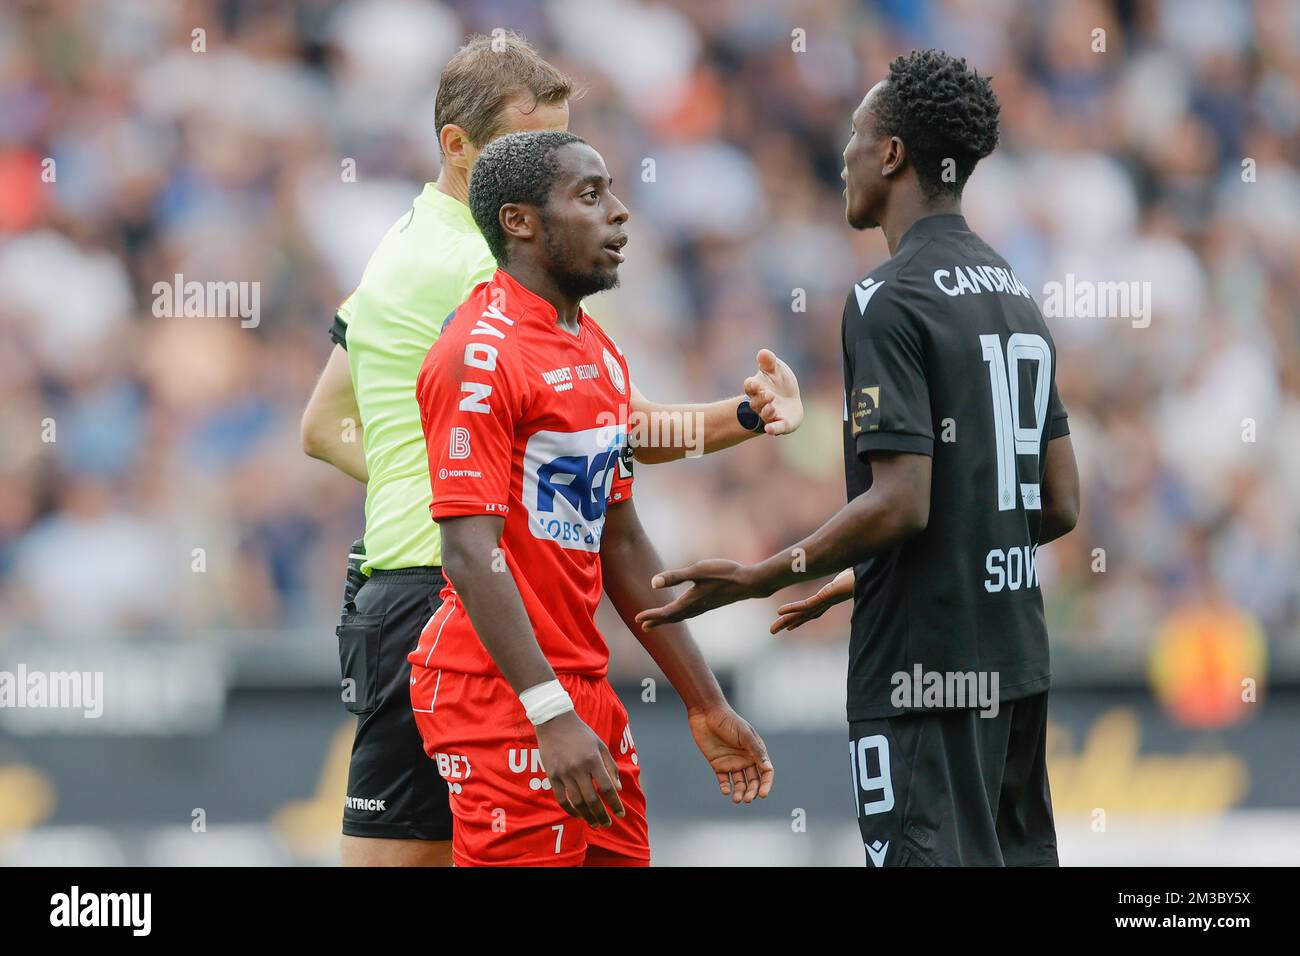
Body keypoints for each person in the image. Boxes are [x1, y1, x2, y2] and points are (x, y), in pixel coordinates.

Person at [299, 33, 801, 867]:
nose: (546, 162)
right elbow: (615, 433)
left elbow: (324, 424)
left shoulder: (402, 247)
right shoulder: (481, 273)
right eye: (524, 147)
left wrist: (460, 479)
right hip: (461, 597)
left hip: (419, 584)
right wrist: (477, 504)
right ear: (460, 151)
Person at [636, 50, 1081, 867]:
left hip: (921, 673)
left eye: (854, 133)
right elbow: (1056, 503)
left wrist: (767, 573)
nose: (841, 153)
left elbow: (903, 501)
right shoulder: (1013, 290)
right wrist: (857, 573)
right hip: (1015, 663)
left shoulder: (889, 298)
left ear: (892, 153)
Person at [410, 129, 774, 867]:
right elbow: (469, 552)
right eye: (590, 194)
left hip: (584, 684)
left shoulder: (595, 348)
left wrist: (703, 700)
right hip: (501, 690)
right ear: (520, 222)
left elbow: (623, 541)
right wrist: (549, 713)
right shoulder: (477, 354)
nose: (619, 212)